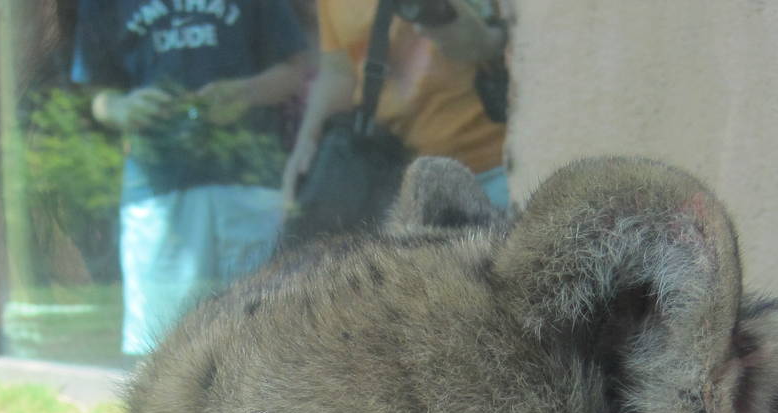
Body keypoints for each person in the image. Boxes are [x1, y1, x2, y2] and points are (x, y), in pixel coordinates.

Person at [73, 0, 312, 355]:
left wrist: (245, 92)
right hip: (157, 188)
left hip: (249, 181)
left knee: (263, 340)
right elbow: (97, 94)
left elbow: (295, 70)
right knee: (160, 345)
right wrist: (122, 108)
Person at [283, 0, 507, 213]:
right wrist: (306, 143)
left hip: (495, 166)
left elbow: (508, 32)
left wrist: (484, 42)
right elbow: (339, 70)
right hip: (404, 186)